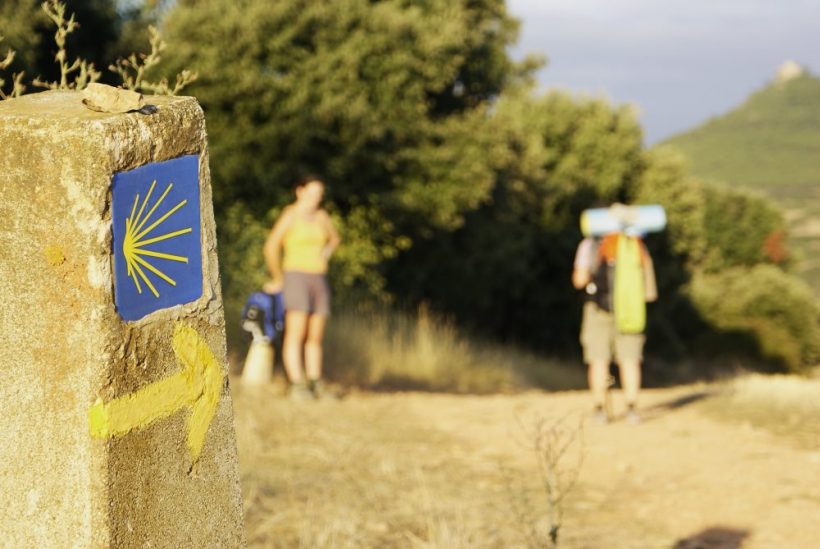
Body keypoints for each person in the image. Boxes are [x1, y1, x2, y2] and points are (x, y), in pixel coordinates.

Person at [264, 175, 341, 400]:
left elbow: (335, 239)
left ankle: (315, 381)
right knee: (296, 332)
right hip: (295, 275)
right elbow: (271, 247)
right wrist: (279, 278)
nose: (317, 198)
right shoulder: (290, 215)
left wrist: (326, 253)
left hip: (319, 277)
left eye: (320, 194)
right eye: (313, 192)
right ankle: (297, 383)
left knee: (315, 335)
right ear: (300, 191)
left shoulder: (322, 217)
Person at [572, 224, 657, 424]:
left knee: (598, 359)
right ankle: (631, 409)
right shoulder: (635, 243)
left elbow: (579, 280)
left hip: (597, 310)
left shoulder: (591, 244)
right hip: (630, 309)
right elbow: (648, 283)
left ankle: (600, 409)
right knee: (630, 359)